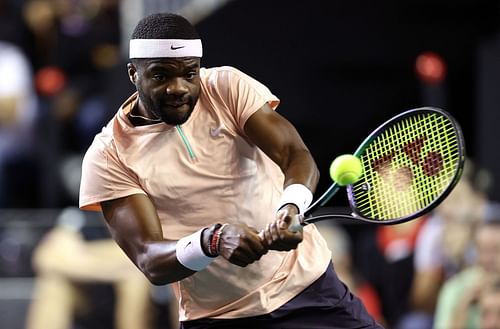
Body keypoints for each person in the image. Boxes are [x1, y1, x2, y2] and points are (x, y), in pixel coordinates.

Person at [79, 12, 382, 329]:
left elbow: (294, 153)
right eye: (160, 76)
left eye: (189, 73)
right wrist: (212, 241)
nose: (178, 88)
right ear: (133, 74)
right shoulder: (109, 155)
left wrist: (290, 206)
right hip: (218, 317)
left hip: (311, 290)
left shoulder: (226, 86)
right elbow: (150, 260)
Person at [433, 212, 500, 329]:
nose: (489, 259)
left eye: (496, 250)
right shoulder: (455, 288)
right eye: (483, 250)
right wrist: (464, 305)